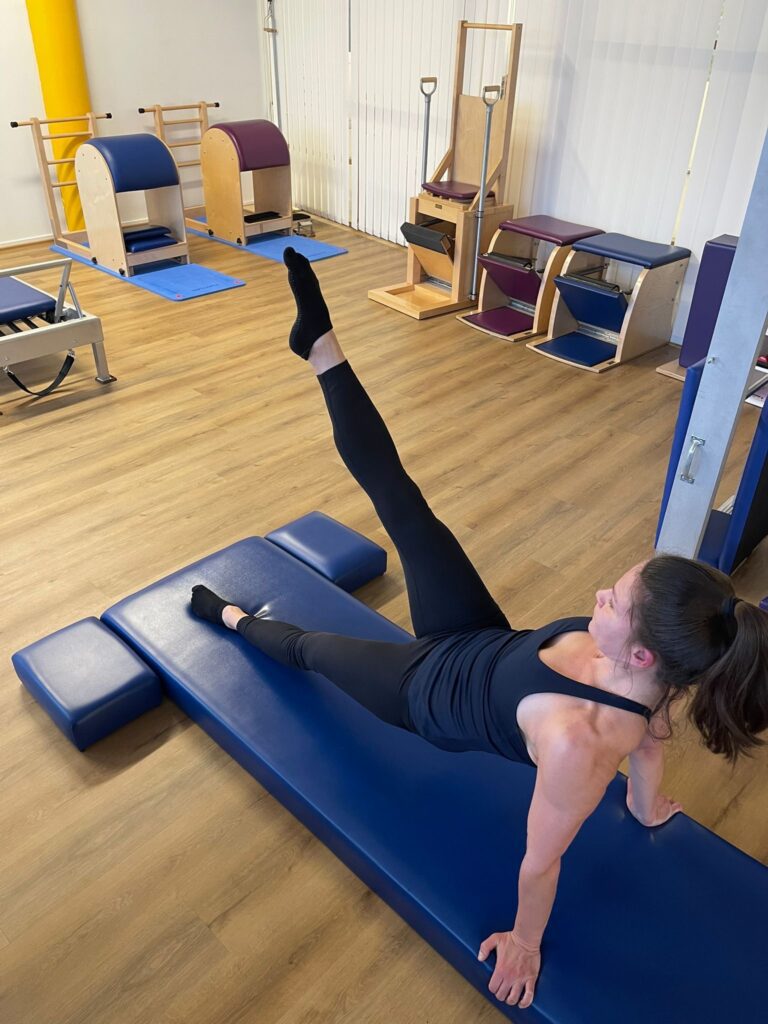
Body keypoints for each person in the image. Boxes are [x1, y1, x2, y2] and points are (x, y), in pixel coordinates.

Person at [191, 248, 768, 1010]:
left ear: (637, 652)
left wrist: (524, 942)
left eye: (612, 602)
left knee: (311, 651)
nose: (598, 595)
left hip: (424, 694)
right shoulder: (660, 675)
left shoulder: (578, 749)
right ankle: (320, 345)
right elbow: (655, 739)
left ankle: (230, 618)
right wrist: (644, 807)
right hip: (475, 635)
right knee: (402, 499)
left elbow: (540, 861)